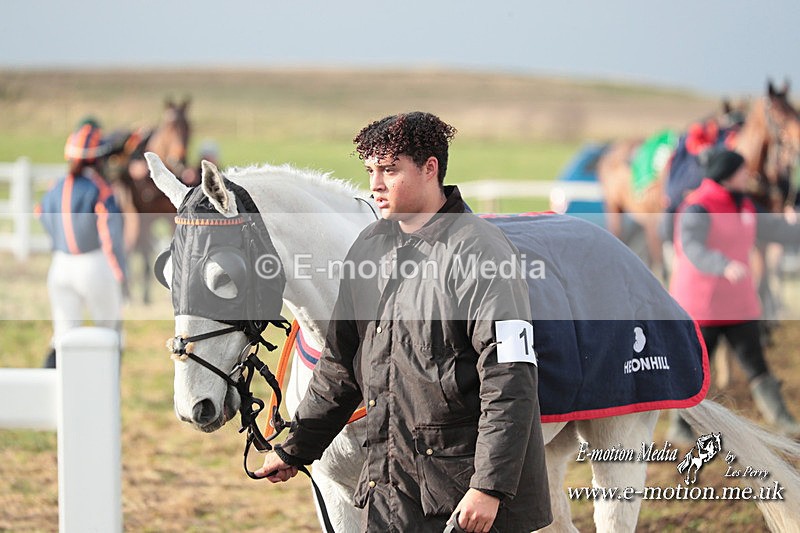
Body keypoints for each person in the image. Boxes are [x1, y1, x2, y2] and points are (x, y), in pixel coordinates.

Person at [255, 112, 552, 532]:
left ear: (430, 168)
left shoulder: (482, 252)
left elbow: (510, 377)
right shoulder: (369, 249)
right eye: (371, 170)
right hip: (390, 495)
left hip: (467, 506)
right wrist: (295, 448)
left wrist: (489, 487)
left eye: (390, 170)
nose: (375, 183)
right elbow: (341, 364)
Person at [668, 149, 800, 439]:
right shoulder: (697, 207)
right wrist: (722, 264)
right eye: (742, 171)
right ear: (727, 175)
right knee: (695, 371)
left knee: (756, 364)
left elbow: (776, 229)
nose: (747, 175)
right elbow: (692, 248)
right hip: (702, 306)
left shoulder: (745, 205)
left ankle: (784, 421)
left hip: (739, 304)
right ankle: (680, 428)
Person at [36, 118, 127, 368]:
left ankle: (53, 389)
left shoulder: (54, 186)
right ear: (96, 157)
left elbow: (41, 215)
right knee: (111, 334)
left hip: (60, 265)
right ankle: (106, 392)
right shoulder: (100, 189)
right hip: (94, 264)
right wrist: (121, 274)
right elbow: (111, 235)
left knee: (63, 337)